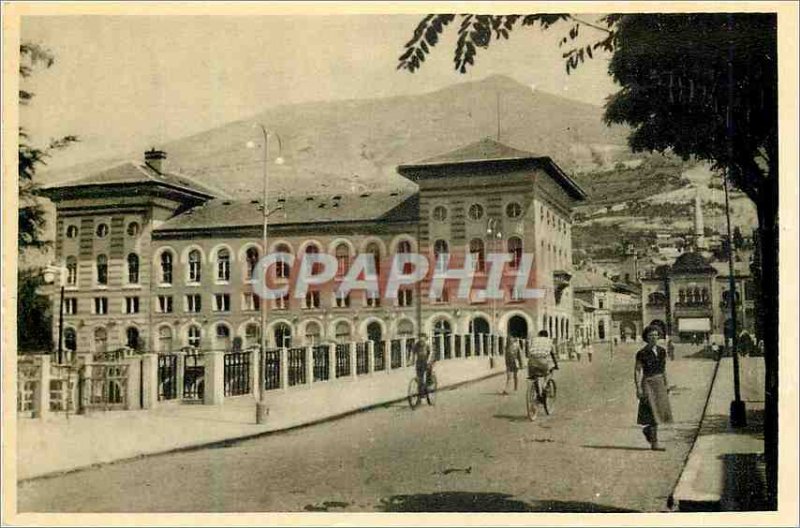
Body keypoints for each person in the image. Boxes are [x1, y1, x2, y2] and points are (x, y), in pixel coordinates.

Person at [635, 325, 674, 451]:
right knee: (652, 412)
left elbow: (663, 370)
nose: (654, 338)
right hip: (648, 382)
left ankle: (648, 431)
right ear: (646, 337)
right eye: (651, 335)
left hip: (659, 382)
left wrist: (666, 384)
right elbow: (637, 370)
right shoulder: (642, 353)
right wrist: (638, 389)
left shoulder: (662, 351)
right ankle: (654, 443)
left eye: (656, 335)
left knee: (659, 411)